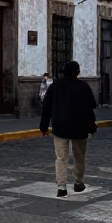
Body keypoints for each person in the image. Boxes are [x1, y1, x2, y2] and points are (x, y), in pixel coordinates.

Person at [39, 60, 98, 198]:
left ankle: (61, 186)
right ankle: (78, 182)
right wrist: (92, 127)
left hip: (60, 126)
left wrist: (43, 126)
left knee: (61, 158)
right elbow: (90, 109)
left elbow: (46, 108)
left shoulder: (55, 86)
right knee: (79, 157)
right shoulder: (84, 86)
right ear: (78, 72)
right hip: (80, 127)